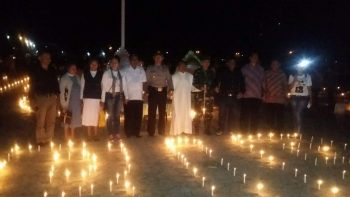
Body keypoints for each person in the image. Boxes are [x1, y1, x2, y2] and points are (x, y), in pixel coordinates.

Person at [29, 51, 60, 145]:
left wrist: (57, 96)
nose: (48, 59)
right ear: (40, 58)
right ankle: (40, 140)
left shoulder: (52, 70)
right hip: (41, 98)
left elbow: (56, 84)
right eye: (45, 57)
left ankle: (48, 138)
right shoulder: (35, 71)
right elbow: (32, 85)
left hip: (52, 97)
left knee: (51, 121)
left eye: (49, 57)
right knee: (40, 120)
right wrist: (31, 99)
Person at [214, 58, 245, 135]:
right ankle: (220, 129)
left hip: (235, 96)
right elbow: (216, 80)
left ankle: (231, 129)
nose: (232, 64)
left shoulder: (238, 72)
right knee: (222, 113)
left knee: (233, 114)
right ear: (227, 63)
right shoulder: (223, 71)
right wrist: (215, 87)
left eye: (233, 62)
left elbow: (242, 82)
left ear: (235, 63)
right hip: (224, 95)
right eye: (230, 62)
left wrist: (242, 92)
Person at [146, 51, 173, 136]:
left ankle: (161, 130)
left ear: (162, 59)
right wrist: (146, 91)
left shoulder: (165, 69)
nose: (158, 59)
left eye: (160, 57)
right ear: (154, 58)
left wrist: (170, 89)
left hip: (163, 92)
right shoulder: (150, 68)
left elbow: (169, 80)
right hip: (153, 91)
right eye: (156, 57)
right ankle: (151, 131)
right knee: (152, 112)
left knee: (162, 112)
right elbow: (146, 81)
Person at [240, 52, 265, 133]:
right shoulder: (244, 68)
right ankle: (243, 132)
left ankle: (253, 132)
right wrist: (240, 92)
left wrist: (263, 93)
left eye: (256, 57)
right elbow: (240, 81)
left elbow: (263, 82)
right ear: (250, 58)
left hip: (257, 95)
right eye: (253, 57)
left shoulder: (261, 69)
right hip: (246, 95)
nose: (255, 58)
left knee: (255, 115)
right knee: (245, 115)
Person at [123, 54, 147, 137]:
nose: (134, 61)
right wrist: (126, 97)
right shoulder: (125, 71)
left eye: (136, 59)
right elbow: (124, 85)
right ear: (130, 61)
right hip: (129, 97)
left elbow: (144, 83)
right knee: (129, 116)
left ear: (138, 61)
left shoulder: (141, 70)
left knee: (138, 116)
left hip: (139, 97)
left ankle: (136, 133)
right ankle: (128, 132)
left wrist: (144, 94)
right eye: (133, 59)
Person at [101, 56, 124, 141]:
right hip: (109, 96)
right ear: (110, 64)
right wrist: (102, 100)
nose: (114, 64)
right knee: (110, 115)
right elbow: (103, 88)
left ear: (118, 64)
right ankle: (110, 133)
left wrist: (125, 96)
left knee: (117, 116)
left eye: (116, 62)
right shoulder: (106, 74)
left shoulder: (121, 73)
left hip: (118, 96)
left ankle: (117, 132)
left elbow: (123, 86)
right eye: (113, 62)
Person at [81, 58, 103, 141]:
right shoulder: (85, 74)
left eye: (95, 64)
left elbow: (102, 87)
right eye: (92, 64)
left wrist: (102, 99)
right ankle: (89, 135)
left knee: (96, 117)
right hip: (87, 98)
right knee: (88, 117)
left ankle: (96, 134)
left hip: (97, 99)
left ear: (98, 65)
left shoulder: (101, 74)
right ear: (89, 65)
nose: (94, 66)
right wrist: (81, 99)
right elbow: (82, 86)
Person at [192, 56, 215, 135]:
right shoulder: (197, 71)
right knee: (198, 112)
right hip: (199, 94)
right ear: (201, 63)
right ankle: (197, 129)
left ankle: (207, 129)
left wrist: (211, 88)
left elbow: (214, 83)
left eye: (208, 62)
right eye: (205, 62)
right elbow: (194, 82)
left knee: (209, 112)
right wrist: (200, 87)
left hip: (209, 94)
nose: (206, 64)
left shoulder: (211, 72)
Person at [263, 60, 288, 132]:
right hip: (270, 98)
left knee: (280, 116)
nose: (275, 65)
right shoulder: (267, 73)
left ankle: (279, 131)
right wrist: (265, 92)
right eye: (273, 64)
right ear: (271, 65)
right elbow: (263, 83)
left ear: (279, 65)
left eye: (276, 64)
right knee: (270, 116)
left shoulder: (282, 74)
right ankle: (270, 130)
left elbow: (285, 85)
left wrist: (286, 96)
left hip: (280, 99)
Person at [170, 61, 193, 135]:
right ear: (178, 67)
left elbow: (191, 87)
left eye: (184, 66)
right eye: (181, 66)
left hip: (186, 99)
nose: (183, 67)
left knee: (186, 114)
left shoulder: (190, 76)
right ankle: (177, 130)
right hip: (177, 99)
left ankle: (186, 130)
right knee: (177, 113)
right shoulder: (174, 76)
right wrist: (171, 95)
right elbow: (172, 88)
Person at [59, 63, 82, 140]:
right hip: (69, 102)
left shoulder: (77, 77)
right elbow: (64, 92)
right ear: (68, 69)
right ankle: (66, 136)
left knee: (74, 119)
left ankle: (72, 136)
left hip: (76, 102)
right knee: (67, 119)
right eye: (72, 68)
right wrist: (64, 105)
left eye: (75, 68)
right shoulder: (65, 78)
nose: (74, 70)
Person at [288, 64, 312, 133]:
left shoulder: (307, 76)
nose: (300, 68)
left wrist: (311, 99)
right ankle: (295, 130)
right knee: (294, 113)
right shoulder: (292, 75)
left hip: (303, 97)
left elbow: (309, 88)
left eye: (301, 67)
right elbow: (289, 88)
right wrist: (294, 80)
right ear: (296, 68)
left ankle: (298, 131)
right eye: (298, 67)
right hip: (294, 96)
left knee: (298, 113)